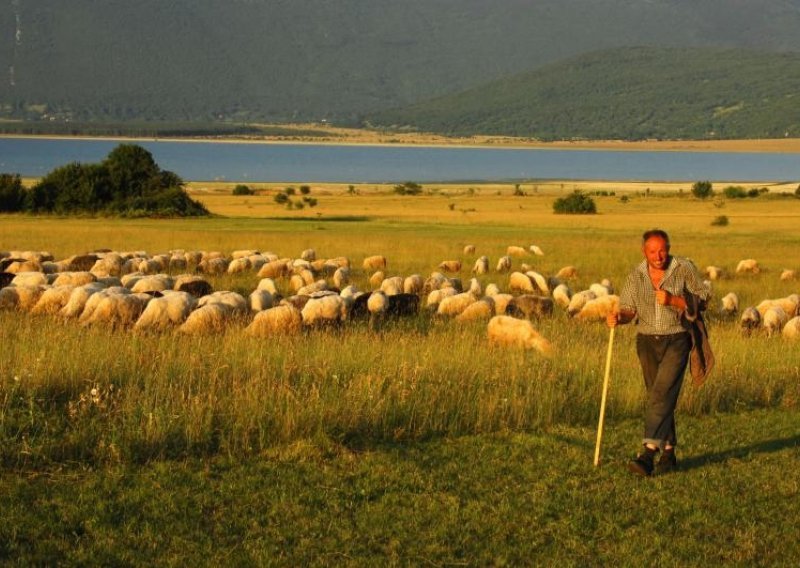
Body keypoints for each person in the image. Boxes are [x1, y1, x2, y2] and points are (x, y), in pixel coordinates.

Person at [607, 229, 710, 477]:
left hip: (677, 339)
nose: (659, 256)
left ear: (669, 247)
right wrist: (619, 317)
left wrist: (675, 301)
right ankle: (669, 452)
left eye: (662, 249)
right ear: (644, 252)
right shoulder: (635, 276)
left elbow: (705, 297)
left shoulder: (683, 268)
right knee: (660, 396)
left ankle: (648, 453)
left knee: (661, 393)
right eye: (652, 251)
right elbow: (630, 309)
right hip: (646, 342)